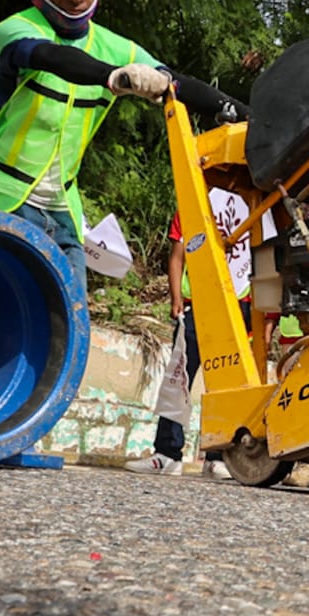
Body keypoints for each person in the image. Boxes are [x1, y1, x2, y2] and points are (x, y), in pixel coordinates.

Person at [0, 0, 242, 282]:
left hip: (62, 209)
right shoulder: (16, 29)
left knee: (69, 317)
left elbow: (180, 84)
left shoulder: (116, 47)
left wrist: (245, 114)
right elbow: (52, 56)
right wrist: (112, 76)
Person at [126, 199, 252, 478]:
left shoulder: (254, 203)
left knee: (225, 382)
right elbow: (177, 254)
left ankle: (219, 456)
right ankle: (167, 454)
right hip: (198, 302)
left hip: (237, 302)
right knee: (179, 377)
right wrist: (175, 298)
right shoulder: (193, 200)